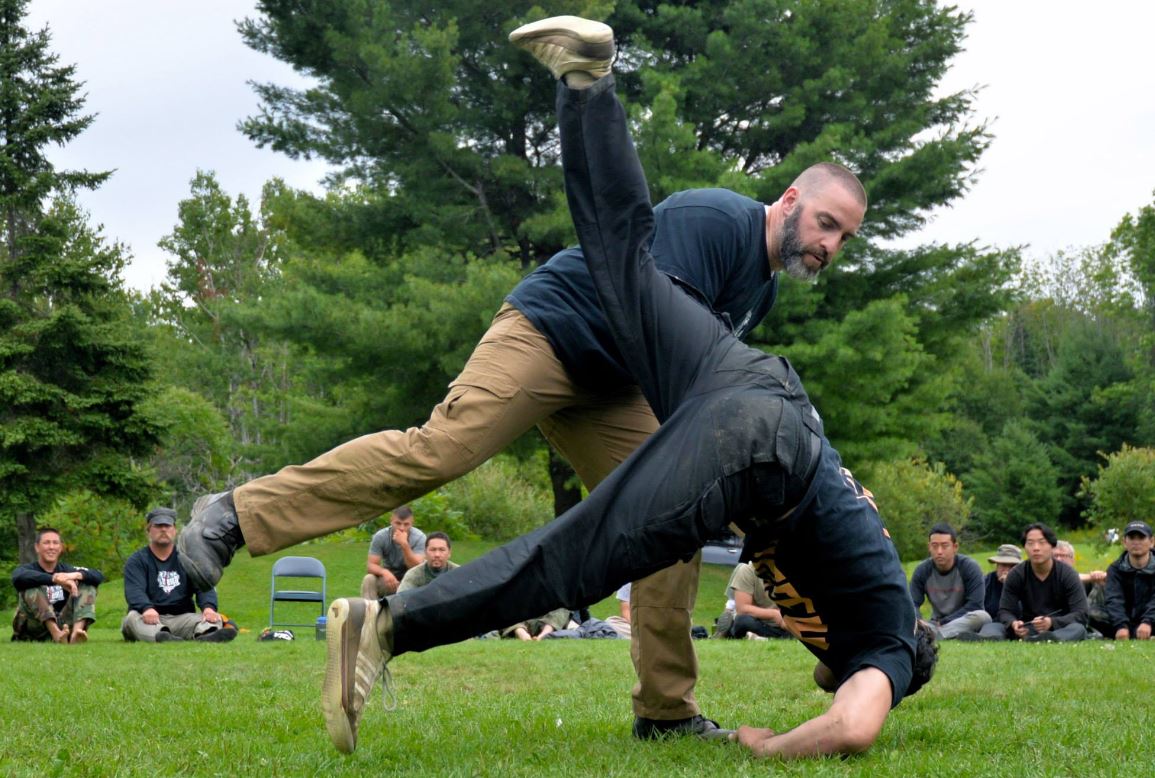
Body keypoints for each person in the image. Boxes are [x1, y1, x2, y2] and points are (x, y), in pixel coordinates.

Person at [176, 20, 872, 745]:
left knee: (676, 526)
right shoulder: (717, 219)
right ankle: (233, 514)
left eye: (843, 238)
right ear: (790, 200)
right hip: (553, 332)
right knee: (438, 451)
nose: (828, 245)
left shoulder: (758, 292)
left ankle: (665, 712)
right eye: (825, 223)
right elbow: (645, 317)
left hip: (613, 389)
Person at [121, 508, 237, 643]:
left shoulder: (188, 558)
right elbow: (134, 591)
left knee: (214, 620)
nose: (163, 529)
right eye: (158, 526)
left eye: (167, 525)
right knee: (131, 619)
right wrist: (147, 608)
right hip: (149, 618)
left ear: (174, 530)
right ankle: (163, 636)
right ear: (148, 530)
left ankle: (206, 635)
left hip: (182, 617)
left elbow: (204, 587)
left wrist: (209, 608)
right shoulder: (137, 560)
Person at [11, 527, 103, 644]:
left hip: (63, 623)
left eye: (55, 543)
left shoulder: (67, 570)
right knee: (30, 587)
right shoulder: (27, 569)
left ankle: (76, 634)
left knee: (87, 585)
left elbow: (98, 575)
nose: (51, 547)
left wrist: (75, 575)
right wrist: (54, 578)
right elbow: (17, 577)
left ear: (60, 548)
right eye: (46, 543)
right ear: (37, 547)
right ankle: (56, 635)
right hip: (34, 626)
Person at [997, 523, 1087, 642]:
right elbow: (1005, 610)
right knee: (996, 626)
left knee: (1078, 629)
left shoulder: (1068, 574)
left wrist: (1052, 622)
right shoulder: (1016, 574)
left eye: (1042, 542)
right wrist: (1014, 623)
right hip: (1030, 627)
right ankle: (1035, 638)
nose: (1036, 548)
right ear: (1025, 547)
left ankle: (1049, 639)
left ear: (1052, 547)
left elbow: (1081, 613)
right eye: (1030, 543)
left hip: (1061, 627)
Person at [908, 523, 990, 639]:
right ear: (929, 547)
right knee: (904, 615)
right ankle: (937, 632)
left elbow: (975, 605)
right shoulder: (922, 570)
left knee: (982, 616)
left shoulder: (969, 568)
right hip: (935, 622)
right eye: (935, 546)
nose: (939, 551)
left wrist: (943, 622)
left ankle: (934, 634)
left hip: (962, 619)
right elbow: (912, 602)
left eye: (944, 546)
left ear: (955, 547)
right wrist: (919, 620)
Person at [1104, 520, 1155, 640]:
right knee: (1093, 613)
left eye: (1141, 537)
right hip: (1124, 620)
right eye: (1132, 538)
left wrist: (1148, 622)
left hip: (1151, 619)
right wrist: (1121, 625)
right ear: (1124, 542)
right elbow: (1114, 599)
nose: (1136, 542)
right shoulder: (1114, 569)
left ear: (1152, 542)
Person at [959, 544, 1021, 641]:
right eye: (1003, 565)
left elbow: (1021, 610)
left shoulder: (1024, 582)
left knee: (993, 628)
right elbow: (975, 605)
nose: (1006, 570)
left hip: (1014, 625)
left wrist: (1008, 585)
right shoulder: (986, 581)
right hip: (987, 622)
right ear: (997, 566)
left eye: (1012, 566)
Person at [361, 507, 427, 598]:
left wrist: (404, 545)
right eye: (398, 523)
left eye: (406, 524)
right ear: (391, 521)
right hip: (390, 579)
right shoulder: (380, 536)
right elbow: (371, 565)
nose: (402, 528)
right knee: (369, 579)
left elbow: (416, 567)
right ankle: (371, 610)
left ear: (412, 523)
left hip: (412, 580)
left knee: (425, 582)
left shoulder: (420, 538)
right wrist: (384, 572)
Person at [1054, 539, 1109, 636]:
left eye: (1063, 556)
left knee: (1100, 586)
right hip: (1055, 618)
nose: (1059, 559)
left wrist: (1097, 577)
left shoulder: (1083, 581)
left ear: (1073, 560)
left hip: (1080, 618)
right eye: (1055, 556)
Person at [723, 562, 790, 639]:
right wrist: (774, 615)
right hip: (760, 624)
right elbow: (742, 609)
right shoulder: (747, 569)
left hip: (788, 625)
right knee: (742, 621)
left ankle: (758, 638)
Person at [501, 607, 573, 641]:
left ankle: (544, 636)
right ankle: (522, 634)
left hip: (546, 622)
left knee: (563, 608)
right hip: (521, 622)